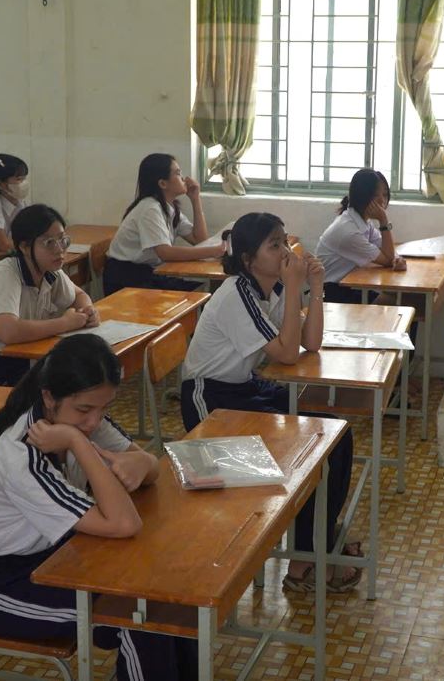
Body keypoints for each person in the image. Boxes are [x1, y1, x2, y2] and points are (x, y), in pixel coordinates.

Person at [0, 334, 197, 680]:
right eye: (84, 410)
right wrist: (77, 441)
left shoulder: (80, 417)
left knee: (164, 592)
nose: (95, 421)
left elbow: (150, 469)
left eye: (104, 408)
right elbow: (124, 524)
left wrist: (143, 463)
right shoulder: (21, 456)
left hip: (53, 556)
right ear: (49, 398)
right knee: (133, 616)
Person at [179, 212, 361, 592]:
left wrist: (315, 285)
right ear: (248, 259)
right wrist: (294, 286)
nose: (285, 252)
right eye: (274, 245)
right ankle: (307, 559)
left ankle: (314, 545)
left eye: (285, 242)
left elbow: (310, 342)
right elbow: (288, 354)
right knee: (305, 448)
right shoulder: (237, 293)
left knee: (335, 434)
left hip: (243, 389)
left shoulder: (268, 289)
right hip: (210, 398)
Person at [0, 204, 99, 386]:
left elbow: (78, 295)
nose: (59, 249)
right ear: (24, 247)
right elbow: (8, 332)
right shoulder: (5, 275)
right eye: (49, 243)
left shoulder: (49, 270)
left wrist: (87, 311)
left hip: (22, 356)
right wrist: (65, 323)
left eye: (63, 240)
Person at [102, 153, 223, 295]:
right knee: (195, 296)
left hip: (147, 272)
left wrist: (195, 199)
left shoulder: (169, 207)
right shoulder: (150, 208)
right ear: (163, 184)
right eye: (178, 173)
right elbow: (165, 253)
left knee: (202, 292)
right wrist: (214, 251)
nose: (183, 178)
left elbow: (200, 240)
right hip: (126, 277)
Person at [315, 168, 405, 304]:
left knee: (399, 300)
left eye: (385, 194)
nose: (382, 200)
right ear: (361, 196)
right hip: (332, 293)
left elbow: (386, 250)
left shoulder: (363, 222)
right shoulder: (349, 231)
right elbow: (387, 259)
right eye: (375, 195)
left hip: (348, 286)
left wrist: (397, 259)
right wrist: (383, 221)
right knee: (396, 303)